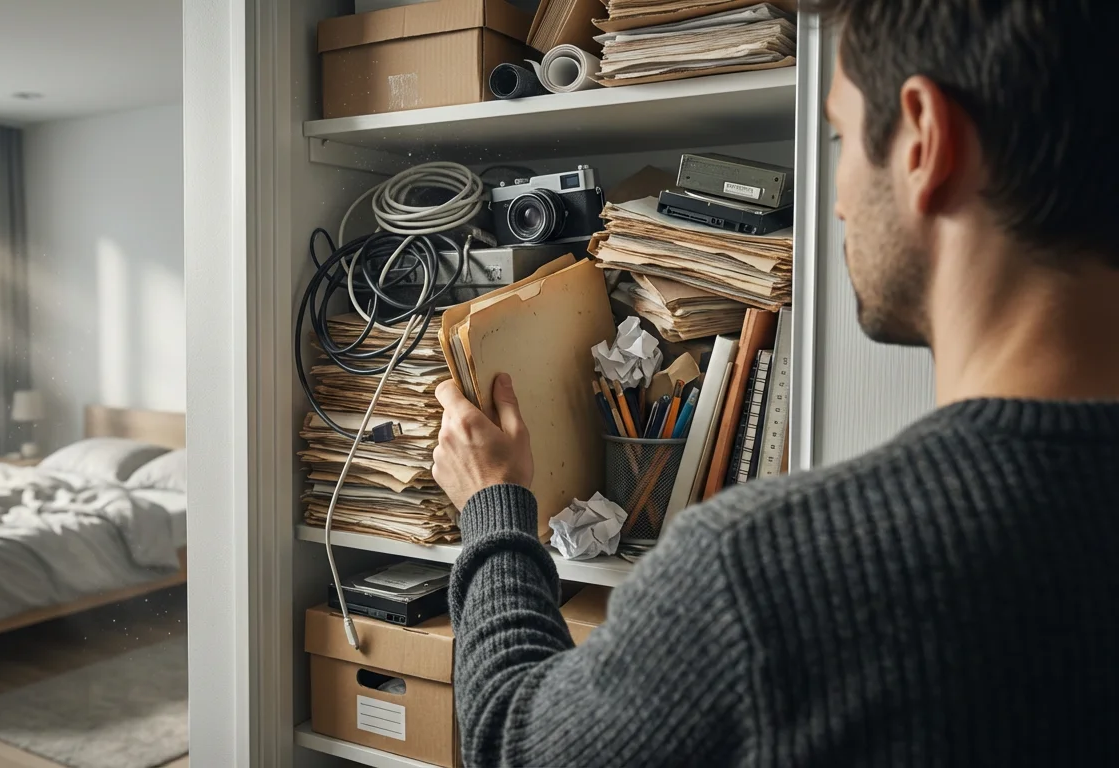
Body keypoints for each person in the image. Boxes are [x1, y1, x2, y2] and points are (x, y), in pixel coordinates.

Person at [431, 0, 1119, 765]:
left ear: (927, 142)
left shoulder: (762, 576)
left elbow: (512, 741)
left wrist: (494, 511)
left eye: (839, 138)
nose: (839, 199)